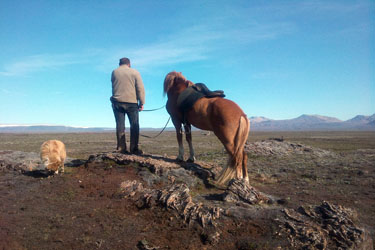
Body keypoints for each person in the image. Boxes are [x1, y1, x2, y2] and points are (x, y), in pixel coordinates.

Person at [111, 57, 145, 155]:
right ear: (129, 64)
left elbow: (113, 85)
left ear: (119, 64)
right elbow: (140, 88)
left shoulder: (114, 72)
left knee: (120, 125)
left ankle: (121, 148)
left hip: (117, 102)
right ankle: (134, 149)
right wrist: (141, 102)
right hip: (132, 103)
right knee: (134, 125)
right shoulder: (135, 72)